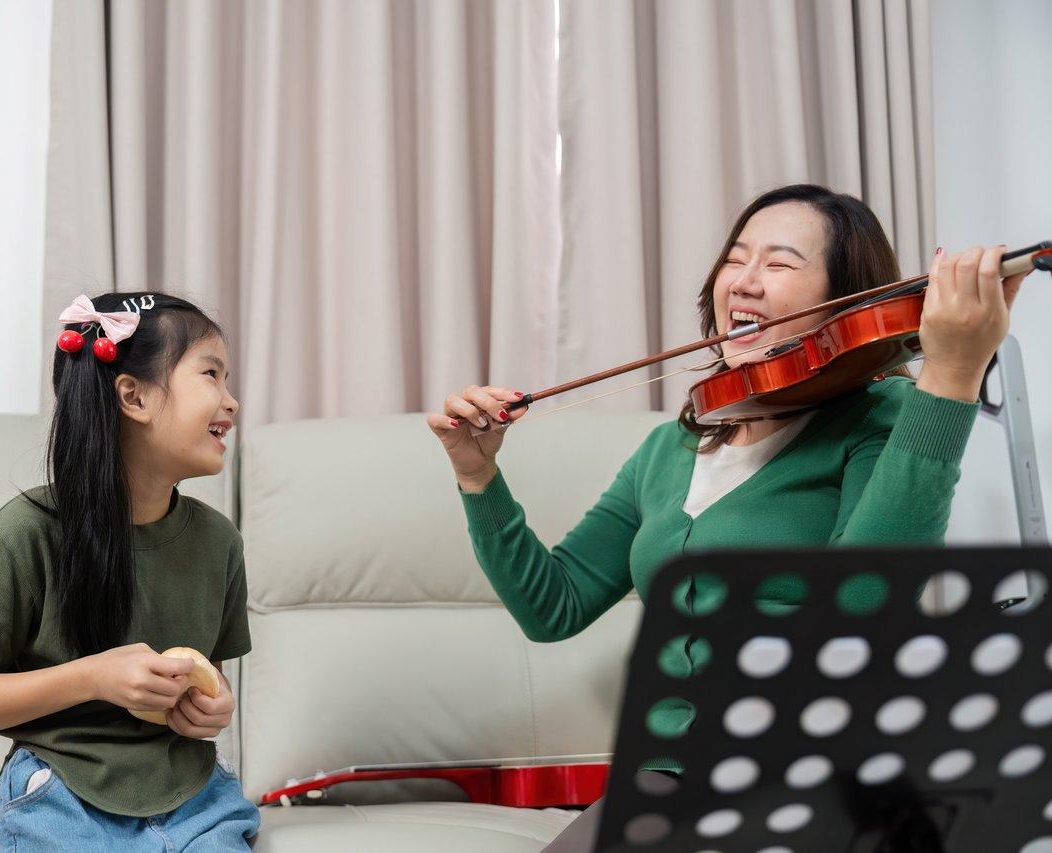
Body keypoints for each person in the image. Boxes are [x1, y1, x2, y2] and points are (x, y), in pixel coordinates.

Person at [426, 184, 1030, 850]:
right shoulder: (668, 448)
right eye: (735, 258)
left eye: (779, 263)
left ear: (845, 300)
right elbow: (553, 606)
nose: (742, 281)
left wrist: (950, 375)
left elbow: (864, 602)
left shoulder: (880, 418)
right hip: (670, 775)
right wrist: (477, 474)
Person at [0, 292, 259, 851]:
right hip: (60, 796)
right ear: (134, 395)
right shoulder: (24, 533)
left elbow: (209, 674)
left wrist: (211, 704)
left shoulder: (218, 543)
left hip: (196, 796)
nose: (231, 401)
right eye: (211, 375)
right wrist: (92, 677)